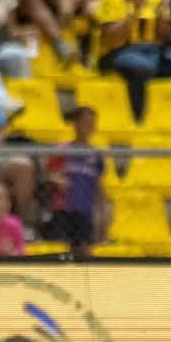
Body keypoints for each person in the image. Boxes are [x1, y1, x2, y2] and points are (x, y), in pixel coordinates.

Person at [91, 0, 171, 118]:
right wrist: (134, 12)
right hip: (116, 53)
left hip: (152, 50)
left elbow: (165, 36)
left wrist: (162, 14)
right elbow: (110, 38)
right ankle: (138, 118)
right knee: (141, 67)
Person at [45, 105, 103, 258]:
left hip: (85, 209)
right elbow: (50, 175)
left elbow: (99, 184)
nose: (90, 126)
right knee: (63, 251)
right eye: (86, 122)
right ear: (75, 123)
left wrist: (100, 211)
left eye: (93, 123)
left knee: (85, 251)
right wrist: (59, 181)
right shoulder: (62, 150)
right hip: (64, 208)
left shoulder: (95, 154)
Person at [0, 178, 24, 256]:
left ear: (8, 203)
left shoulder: (14, 224)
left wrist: (11, 252)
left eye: (2, 198)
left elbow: (21, 252)